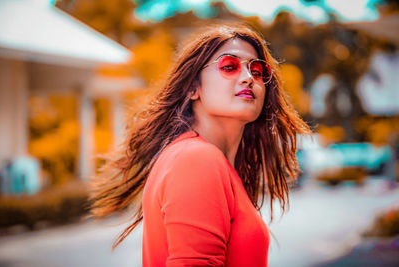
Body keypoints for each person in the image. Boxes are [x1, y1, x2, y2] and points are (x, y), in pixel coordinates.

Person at [90, 23, 311, 266]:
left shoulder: (206, 160)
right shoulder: (196, 160)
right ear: (193, 87)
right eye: (229, 67)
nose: (249, 78)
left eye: (257, 71)